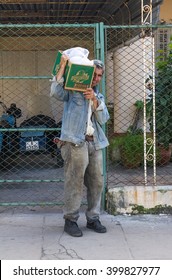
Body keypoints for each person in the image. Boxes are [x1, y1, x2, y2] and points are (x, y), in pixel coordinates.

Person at [50, 54, 110, 237]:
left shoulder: (97, 95)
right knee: (74, 181)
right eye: (94, 74)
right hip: (75, 142)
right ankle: (70, 220)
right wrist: (62, 66)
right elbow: (55, 92)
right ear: (88, 73)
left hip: (94, 143)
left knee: (96, 182)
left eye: (100, 76)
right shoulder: (72, 90)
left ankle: (93, 218)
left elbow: (103, 118)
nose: (96, 79)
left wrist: (94, 100)